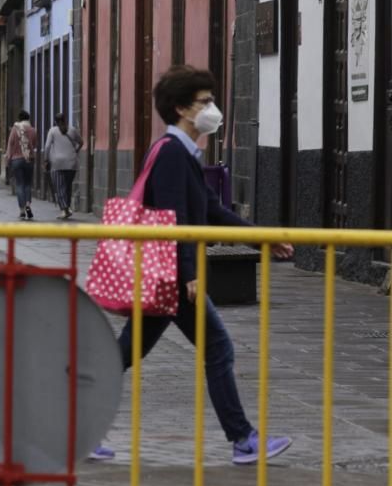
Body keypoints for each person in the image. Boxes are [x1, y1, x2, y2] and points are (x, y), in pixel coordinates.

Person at [104, 65, 295, 465]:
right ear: (181, 109)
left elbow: (210, 209)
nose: (213, 109)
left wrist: (262, 239)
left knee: (121, 355)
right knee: (218, 347)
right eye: (205, 102)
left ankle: (67, 424)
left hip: (165, 274)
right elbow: (174, 216)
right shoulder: (172, 152)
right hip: (173, 276)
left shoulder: (180, 153)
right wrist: (189, 273)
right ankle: (243, 440)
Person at [44, 113, 82, 219]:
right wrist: (76, 150)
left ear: (55, 121)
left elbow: (47, 147)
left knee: (60, 187)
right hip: (71, 162)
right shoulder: (72, 130)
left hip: (57, 163)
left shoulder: (52, 131)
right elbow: (81, 142)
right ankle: (67, 207)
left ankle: (64, 209)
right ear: (65, 120)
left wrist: (46, 159)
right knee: (67, 186)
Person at [3, 110, 38, 220]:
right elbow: (35, 144)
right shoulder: (33, 130)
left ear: (19, 118)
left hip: (16, 160)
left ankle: (22, 210)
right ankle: (28, 204)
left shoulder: (15, 129)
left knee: (19, 184)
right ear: (28, 118)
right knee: (28, 184)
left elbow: (10, 144)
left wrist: (8, 159)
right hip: (29, 160)